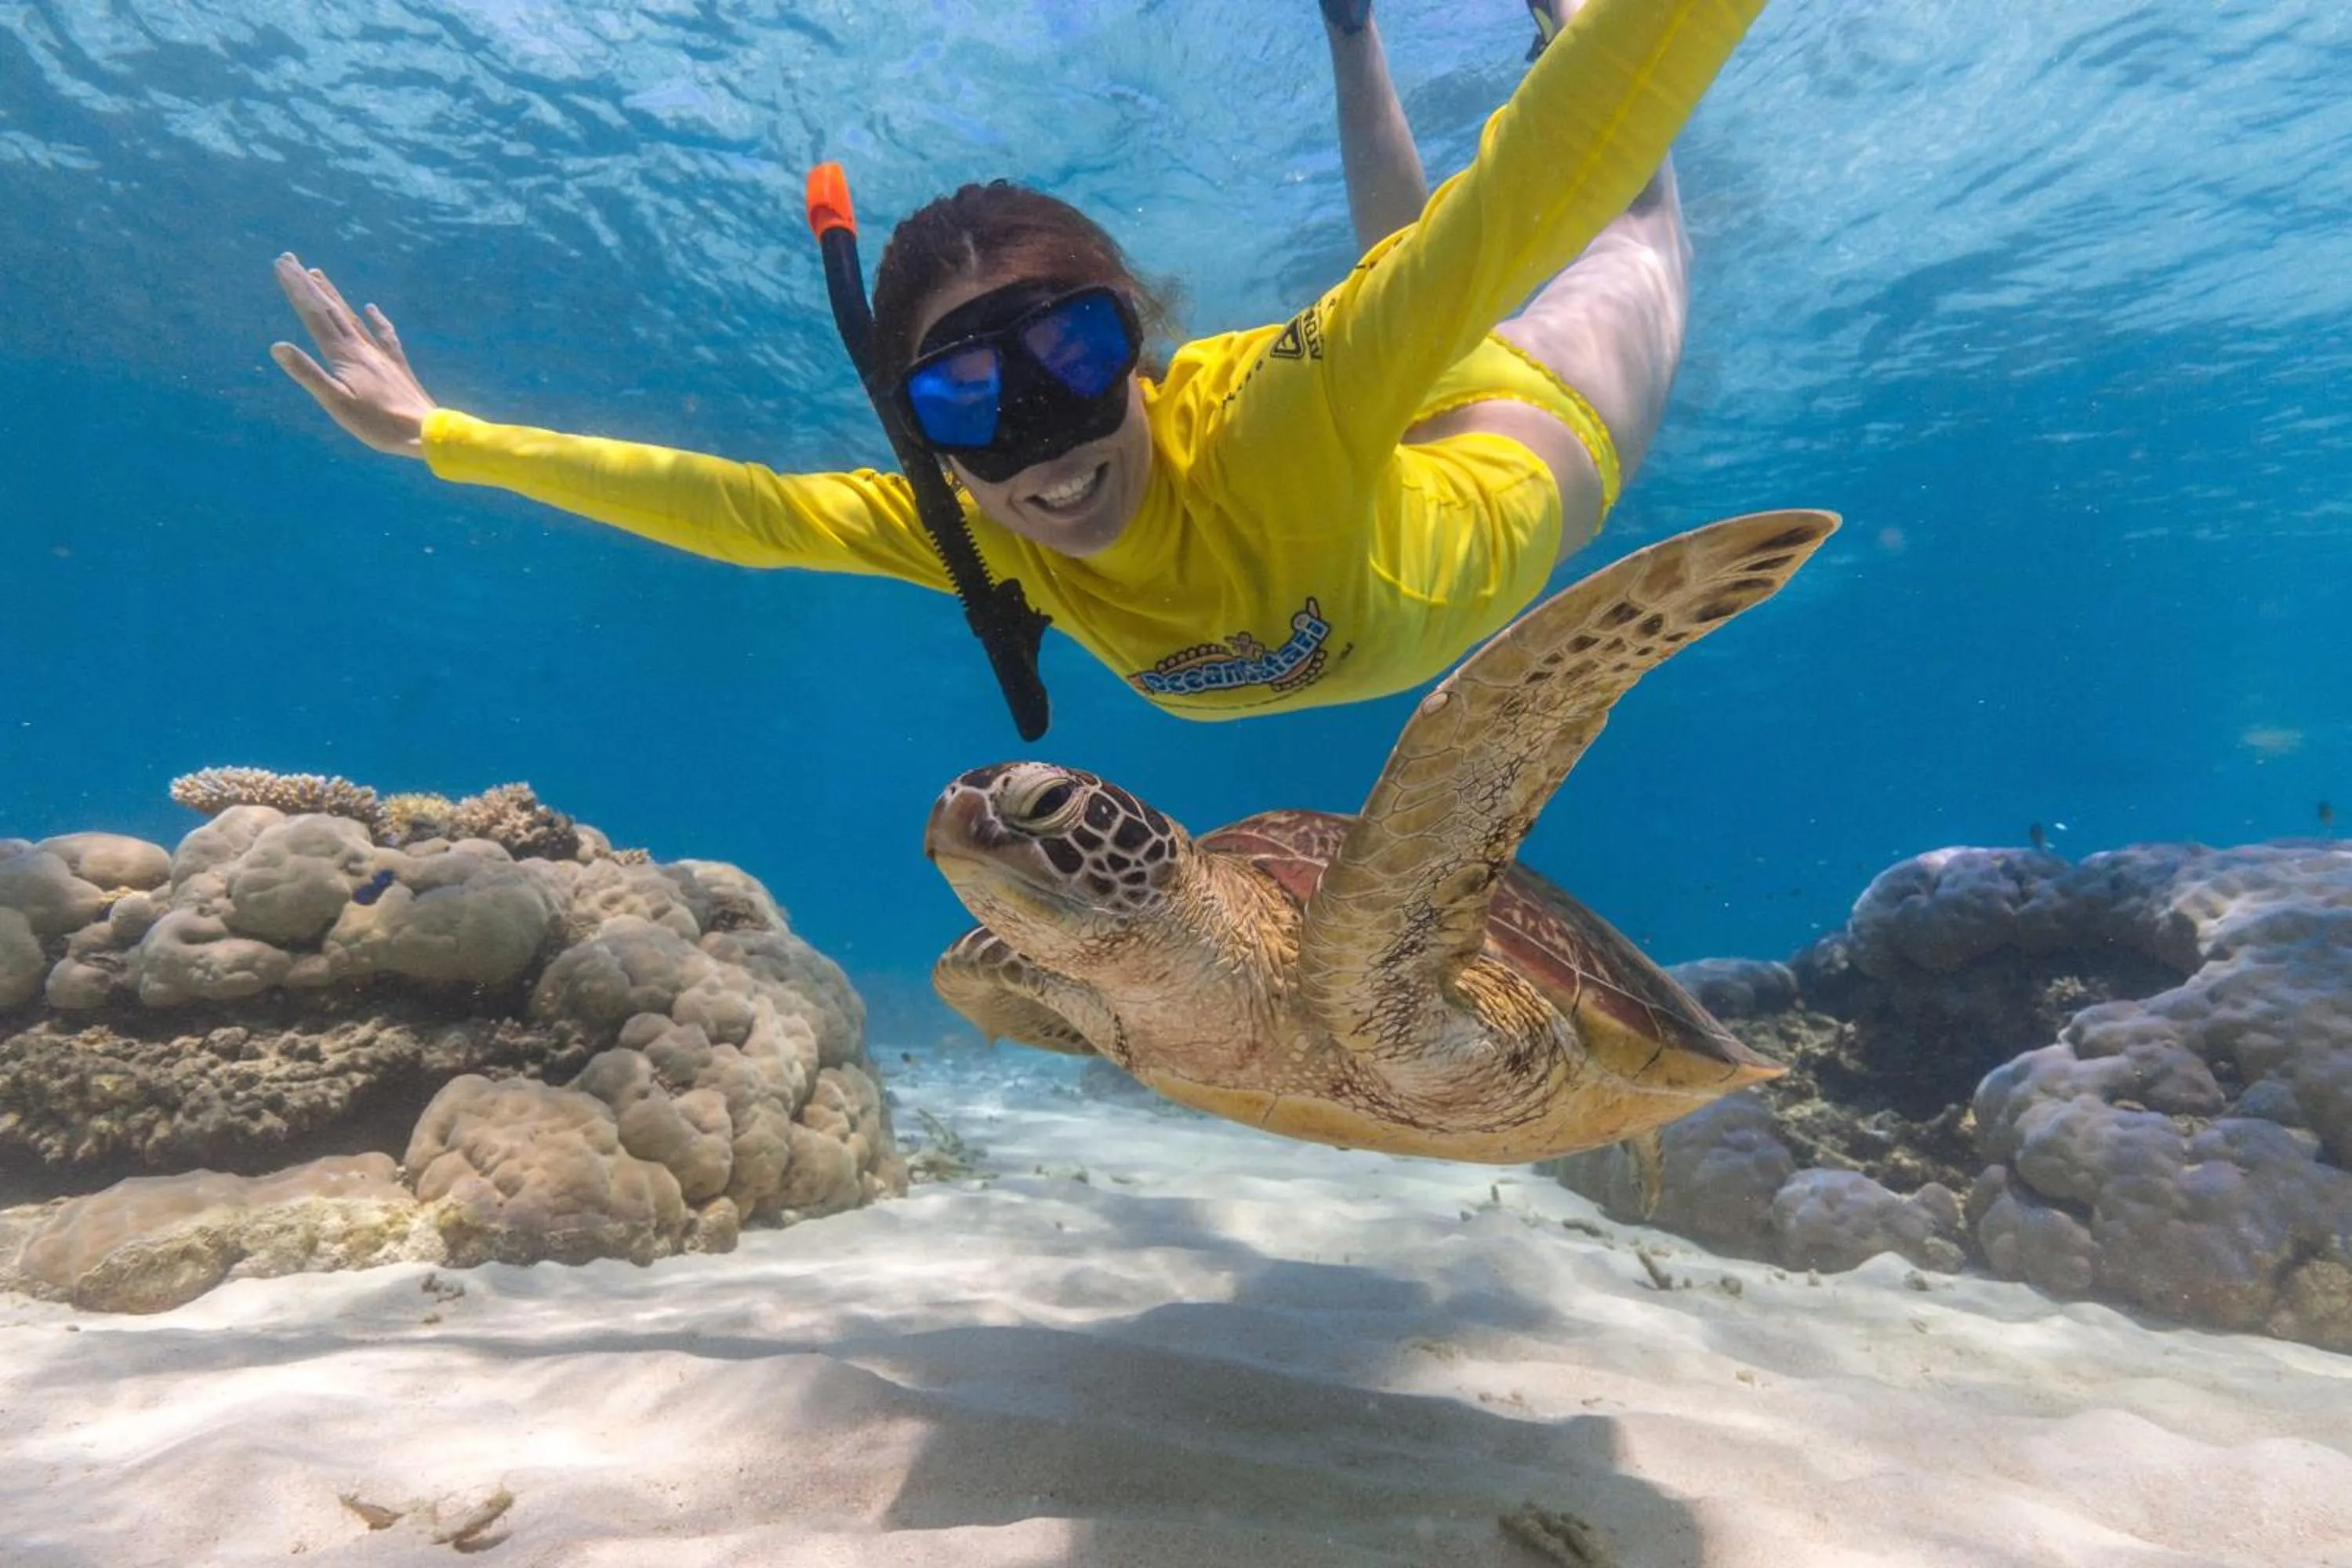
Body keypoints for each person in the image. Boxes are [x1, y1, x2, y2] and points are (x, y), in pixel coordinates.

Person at [271, 0, 1755, 720]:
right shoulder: (965, 524)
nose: (1040, 443)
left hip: (1527, 436)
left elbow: (1510, 213)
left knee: (1625, 241)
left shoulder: (1272, 419)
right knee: (1416, 287)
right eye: (966, 401)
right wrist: (441, 436)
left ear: (1138, 343)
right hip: (1397, 449)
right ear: (923, 429)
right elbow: (723, 508)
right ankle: (1353, 28)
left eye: (1067, 353)